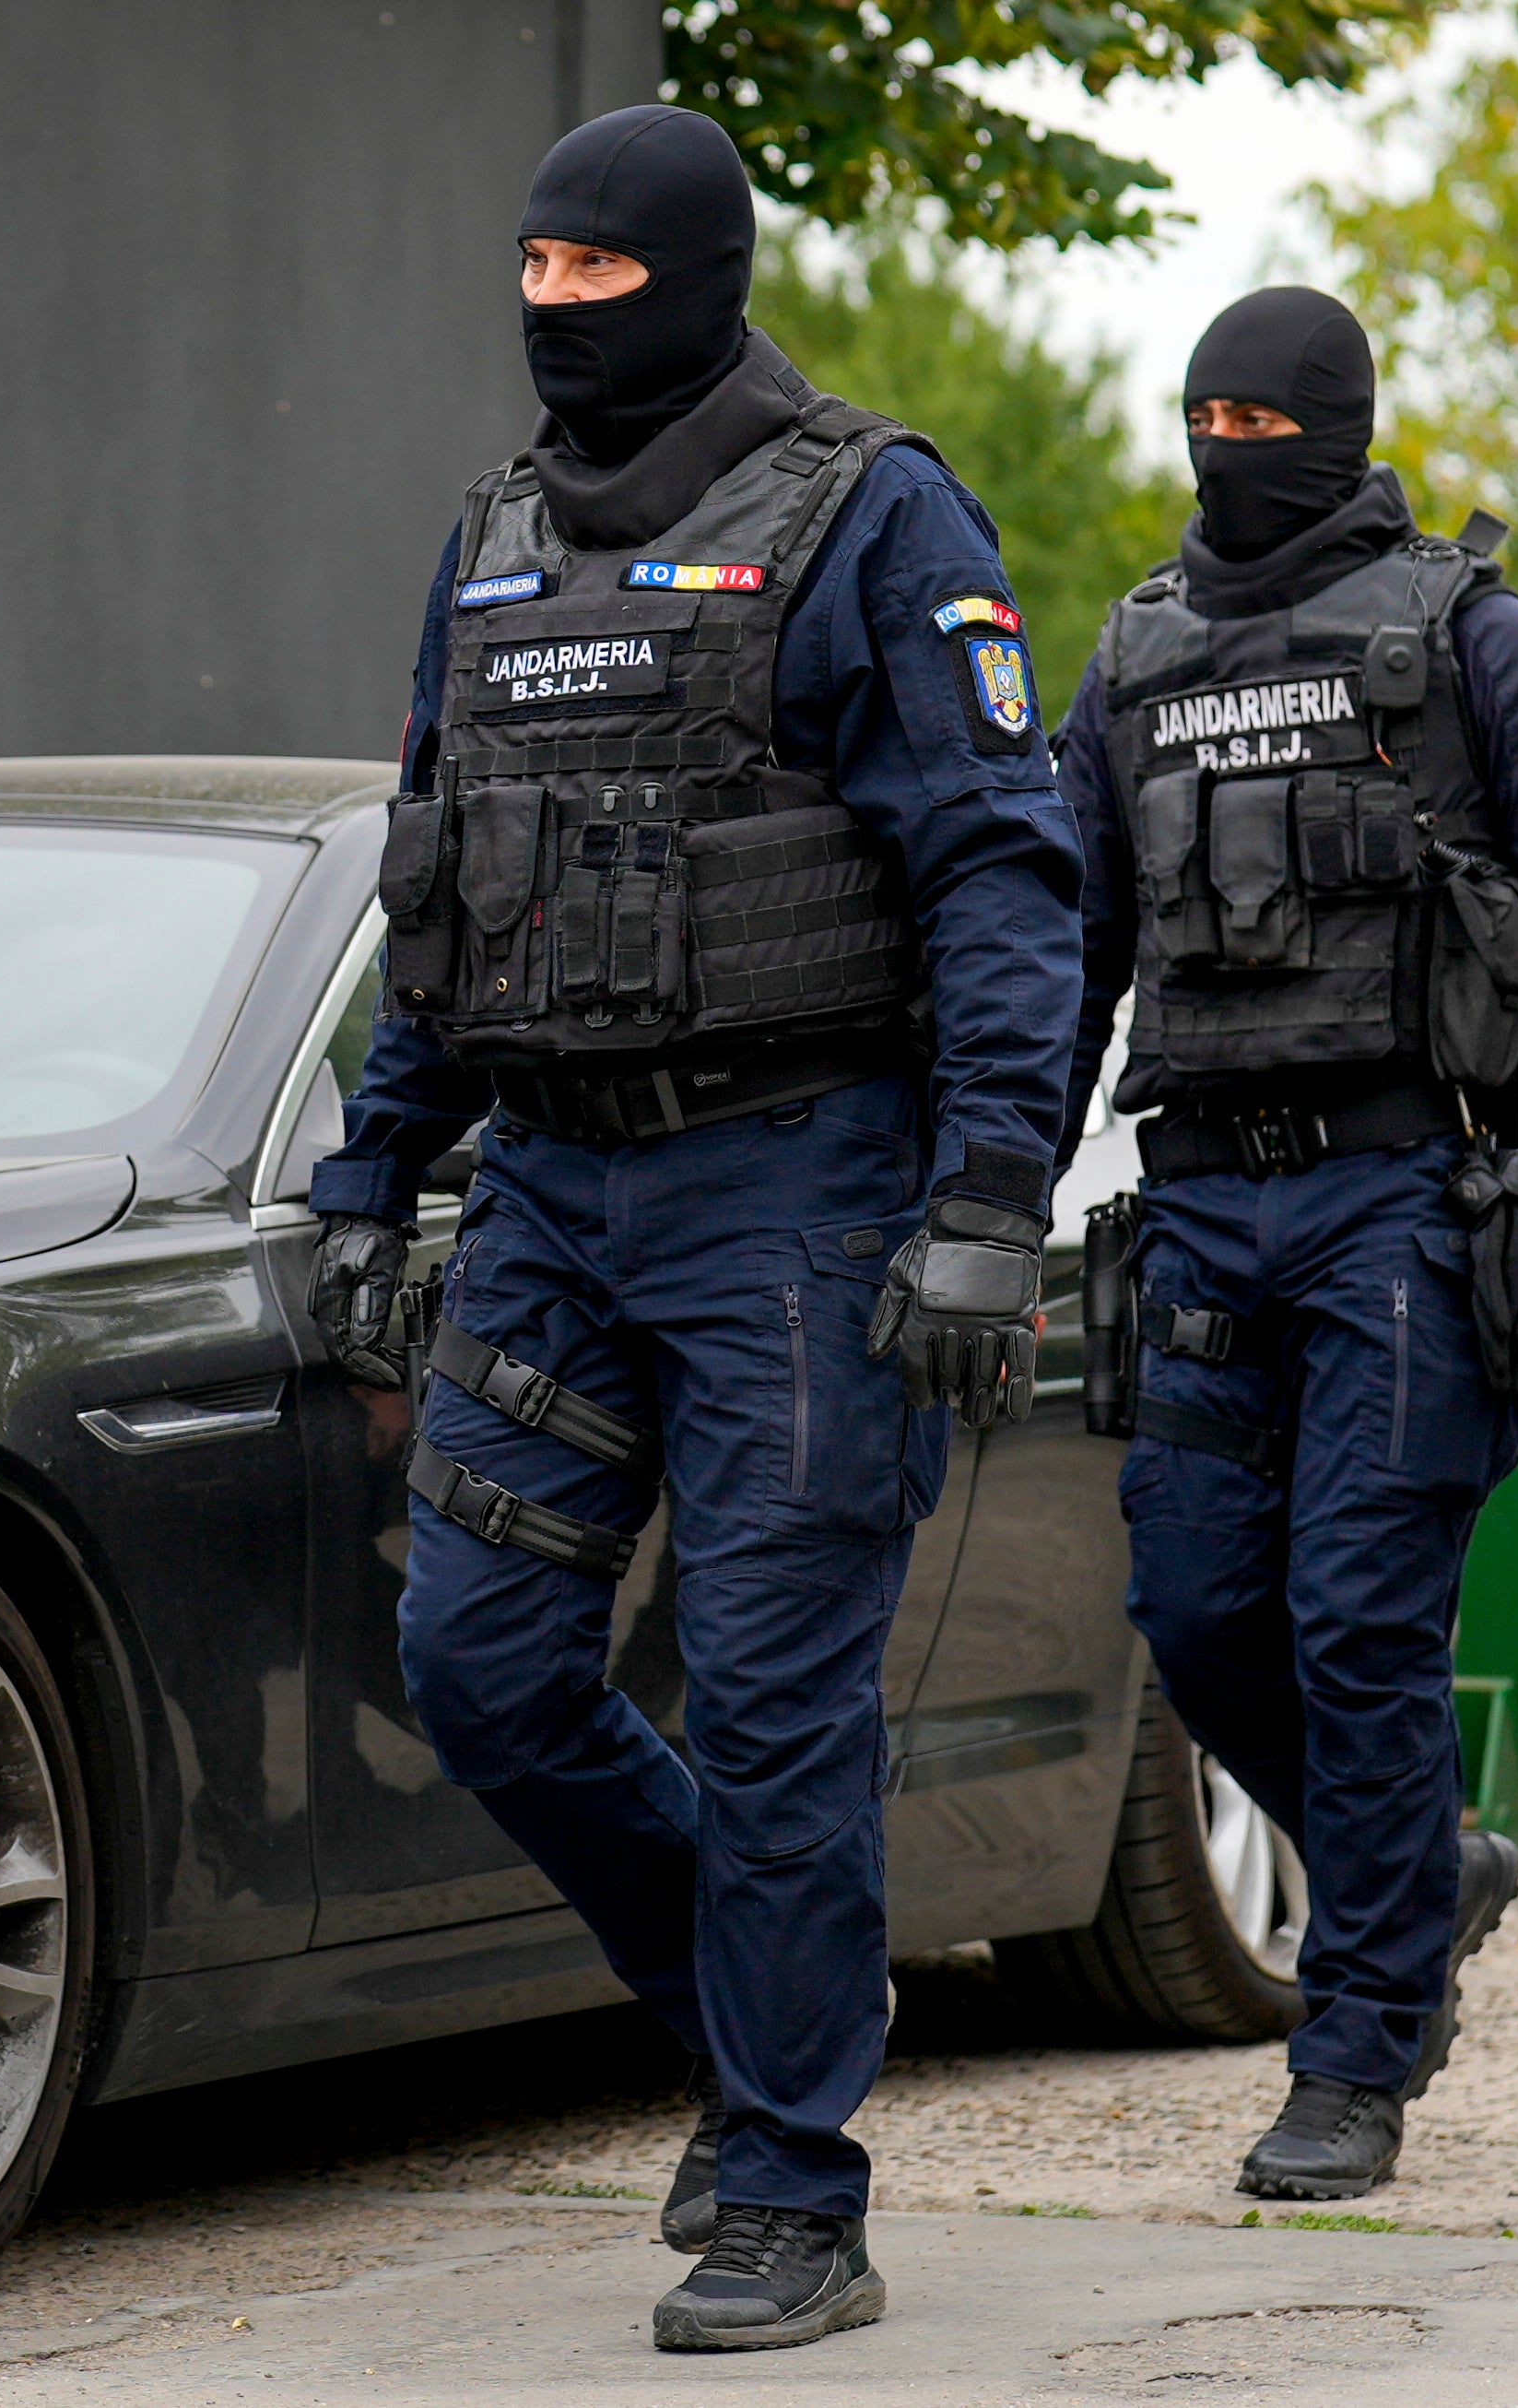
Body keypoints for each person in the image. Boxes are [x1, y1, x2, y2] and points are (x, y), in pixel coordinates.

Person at [302, 103, 1082, 2351]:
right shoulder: (491, 540)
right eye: (528, 276)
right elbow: (447, 889)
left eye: (592, 277)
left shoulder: (872, 514)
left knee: (769, 1703)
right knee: (481, 1659)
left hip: (794, 1198)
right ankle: (751, 2038)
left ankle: (794, 2180)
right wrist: (376, 1166)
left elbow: (1001, 881)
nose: (552, 313)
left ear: (697, 272)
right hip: (548, 1188)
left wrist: (991, 1203)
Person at [1052, 287, 1518, 2200]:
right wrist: (985, 1196)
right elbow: (1067, 958)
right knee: (1189, 1611)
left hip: (1409, 1201)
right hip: (1196, 1204)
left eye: (1270, 416)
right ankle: (1426, 1868)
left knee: (1357, 1622)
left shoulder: (1476, 645)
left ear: (1338, 427)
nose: (1233, 446)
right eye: (1206, 413)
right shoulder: (1134, 661)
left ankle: (1354, 2048)